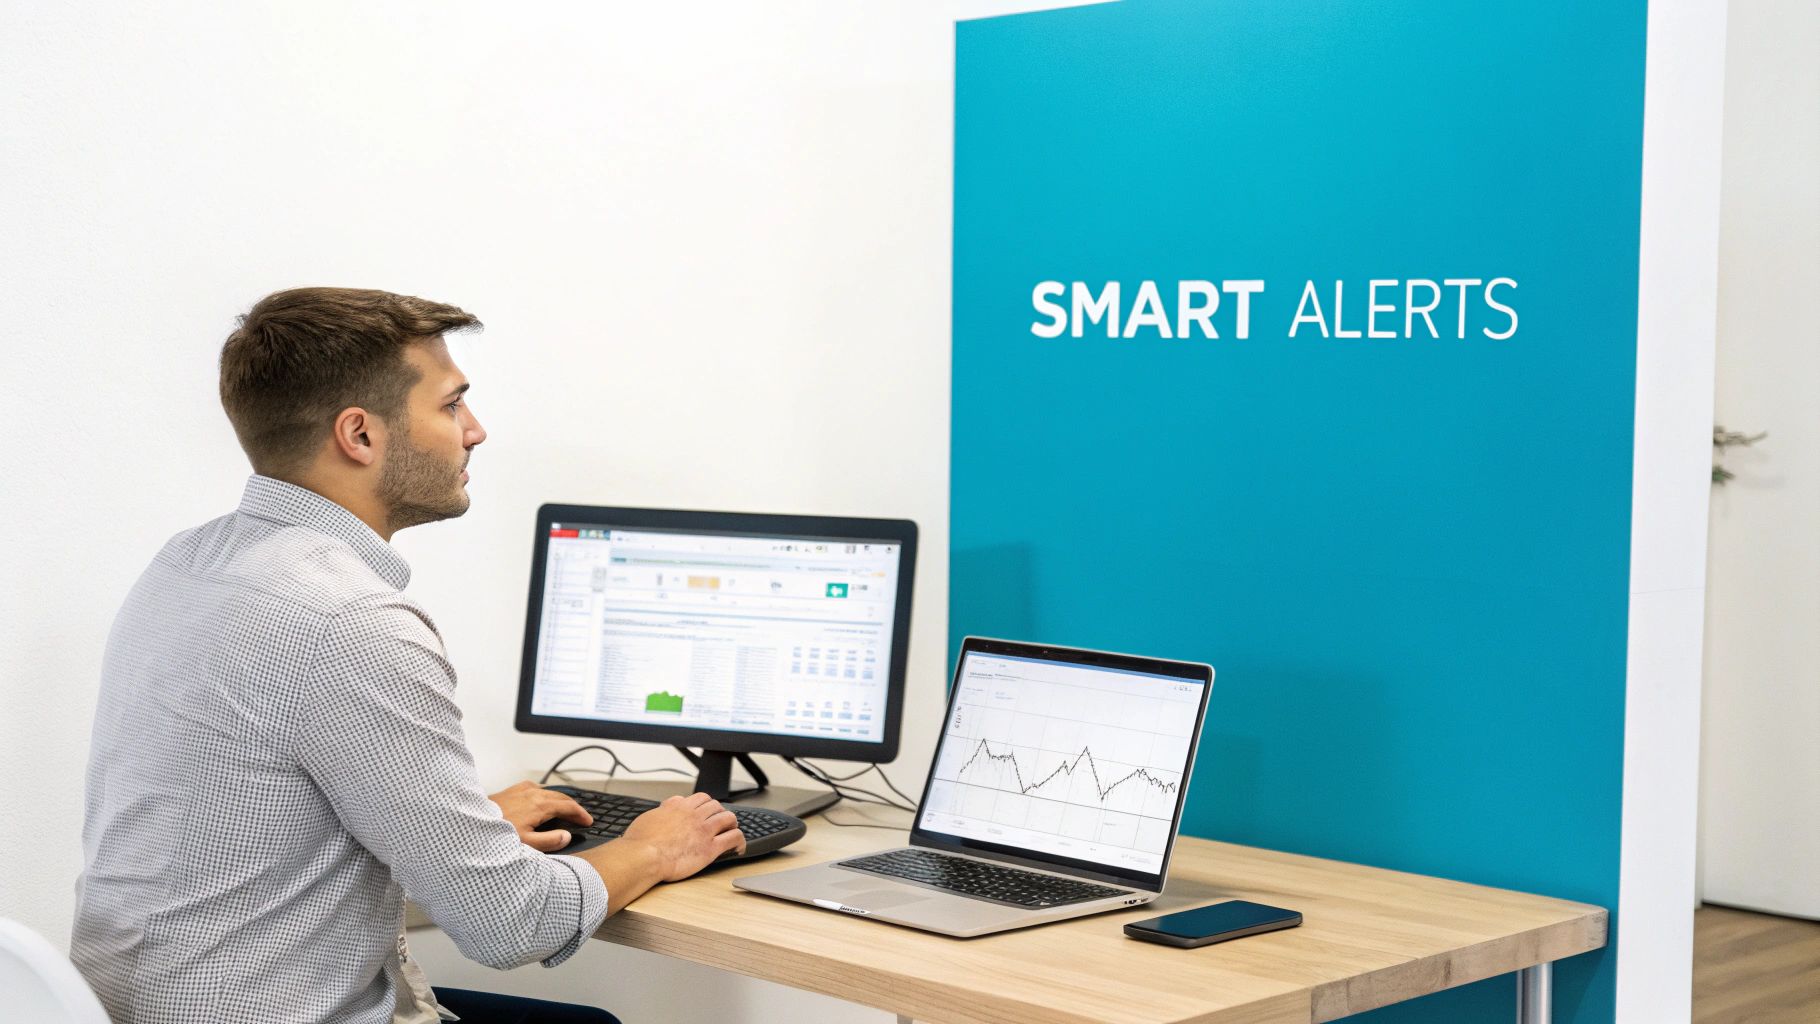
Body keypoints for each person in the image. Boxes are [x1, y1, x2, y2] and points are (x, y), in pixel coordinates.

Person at [70, 288, 744, 1023]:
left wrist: (461, 829)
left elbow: (251, 818)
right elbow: (511, 921)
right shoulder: (348, 621)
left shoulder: (189, 563)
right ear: (359, 435)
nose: (476, 431)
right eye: (452, 405)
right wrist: (654, 846)